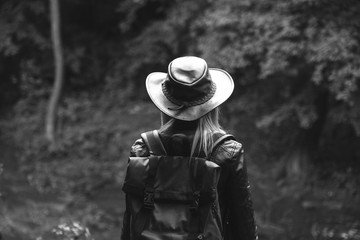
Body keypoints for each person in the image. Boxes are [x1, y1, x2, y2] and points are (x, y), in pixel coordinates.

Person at [121, 56, 258, 240]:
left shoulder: (142, 150)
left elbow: (130, 224)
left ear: (165, 103)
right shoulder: (227, 153)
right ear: (211, 105)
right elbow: (243, 229)